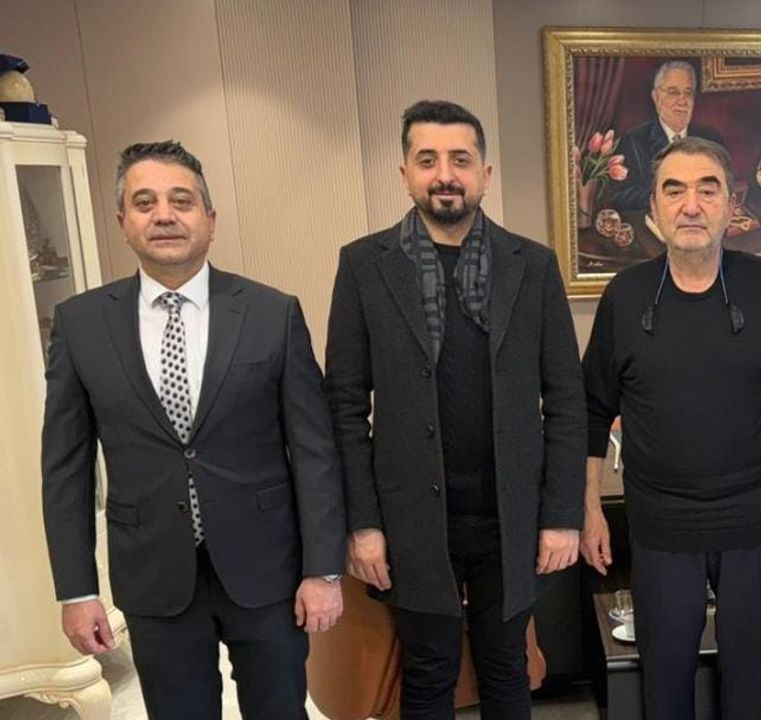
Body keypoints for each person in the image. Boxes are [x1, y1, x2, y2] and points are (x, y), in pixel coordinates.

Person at [41, 140, 346, 720]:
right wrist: (77, 590)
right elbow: (64, 470)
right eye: (145, 202)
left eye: (181, 201)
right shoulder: (81, 324)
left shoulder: (271, 313)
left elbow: (315, 452)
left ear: (209, 219)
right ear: (123, 222)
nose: (164, 215)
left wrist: (323, 571)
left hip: (268, 571)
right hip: (152, 574)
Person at [324, 99, 586, 719]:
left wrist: (561, 515)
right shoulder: (363, 265)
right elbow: (343, 407)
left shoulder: (532, 265)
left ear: (485, 174)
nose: (445, 174)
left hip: (511, 517)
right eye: (428, 160)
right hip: (411, 519)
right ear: (405, 174)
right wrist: (363, 524)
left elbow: (566, 400)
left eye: (460, 160)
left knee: (507, 668)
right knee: (428, 673)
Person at [580, 136, 761, 720]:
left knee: (748, 689)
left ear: (731, 204)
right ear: (654, 209)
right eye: (674, 190)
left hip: (755, 521)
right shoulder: (625, 296)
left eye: (707, 189)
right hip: (661, 525)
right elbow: (590, 410)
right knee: (665, 687)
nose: (691, 205)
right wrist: (588, 509)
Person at [610, 60, 727, 212]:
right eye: (673, 93)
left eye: (688, 93)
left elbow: (724, 188)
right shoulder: (632, 141)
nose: (682, 101)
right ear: (656, 97)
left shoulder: (711, 139)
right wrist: (670, 196)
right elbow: (618, 198)